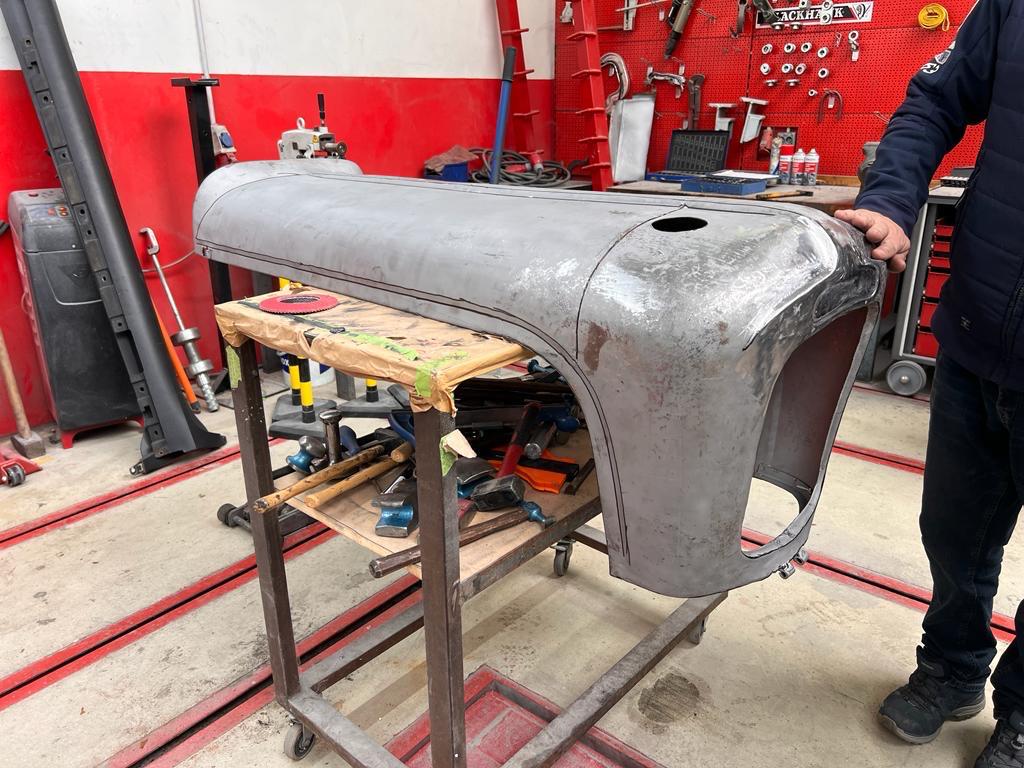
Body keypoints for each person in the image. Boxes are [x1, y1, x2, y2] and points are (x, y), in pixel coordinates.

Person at [836, 0, 1024, 764]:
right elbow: (935, 99)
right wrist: (889, 198)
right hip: (977, 339)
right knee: (953, 534)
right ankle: (952, 667)